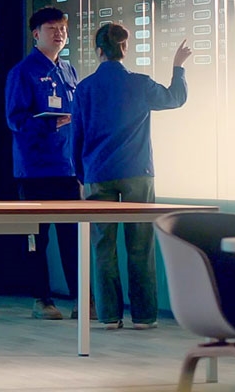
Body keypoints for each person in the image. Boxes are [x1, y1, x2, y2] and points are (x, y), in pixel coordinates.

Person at [73, 24, 190, 330]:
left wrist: (82, 175)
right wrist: (178, 68)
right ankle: (144, 316)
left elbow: (76, 137)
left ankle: (110, 316)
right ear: (124, 50)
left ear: (99, 50)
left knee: (103, 247)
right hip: (138, 172)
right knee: (140, 245)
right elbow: (175, 98)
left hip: (98, 174)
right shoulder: (140, 83)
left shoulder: (85, 88)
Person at [4, 7, 85, 320]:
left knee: (72, 236)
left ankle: (82, 300)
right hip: (35, 169)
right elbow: (15, 119)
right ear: (36, 34)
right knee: (36, 237)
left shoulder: (69, 70)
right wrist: (50, 123)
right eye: (52, 28)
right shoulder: (22, 72)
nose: (59, 34)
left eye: (62, 28)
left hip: (67, 167)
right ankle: (42, 299)